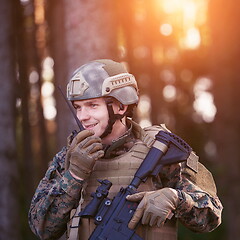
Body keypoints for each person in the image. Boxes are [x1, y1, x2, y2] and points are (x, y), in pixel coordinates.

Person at [29, 59, 223, 240]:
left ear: (120, 107)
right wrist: (74, 175)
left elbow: (212, 216)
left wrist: (177, 199)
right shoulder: (69, 157)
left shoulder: (160, 151)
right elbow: (42, 228)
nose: (82, 116)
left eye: (92, 105)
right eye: (78, 107)